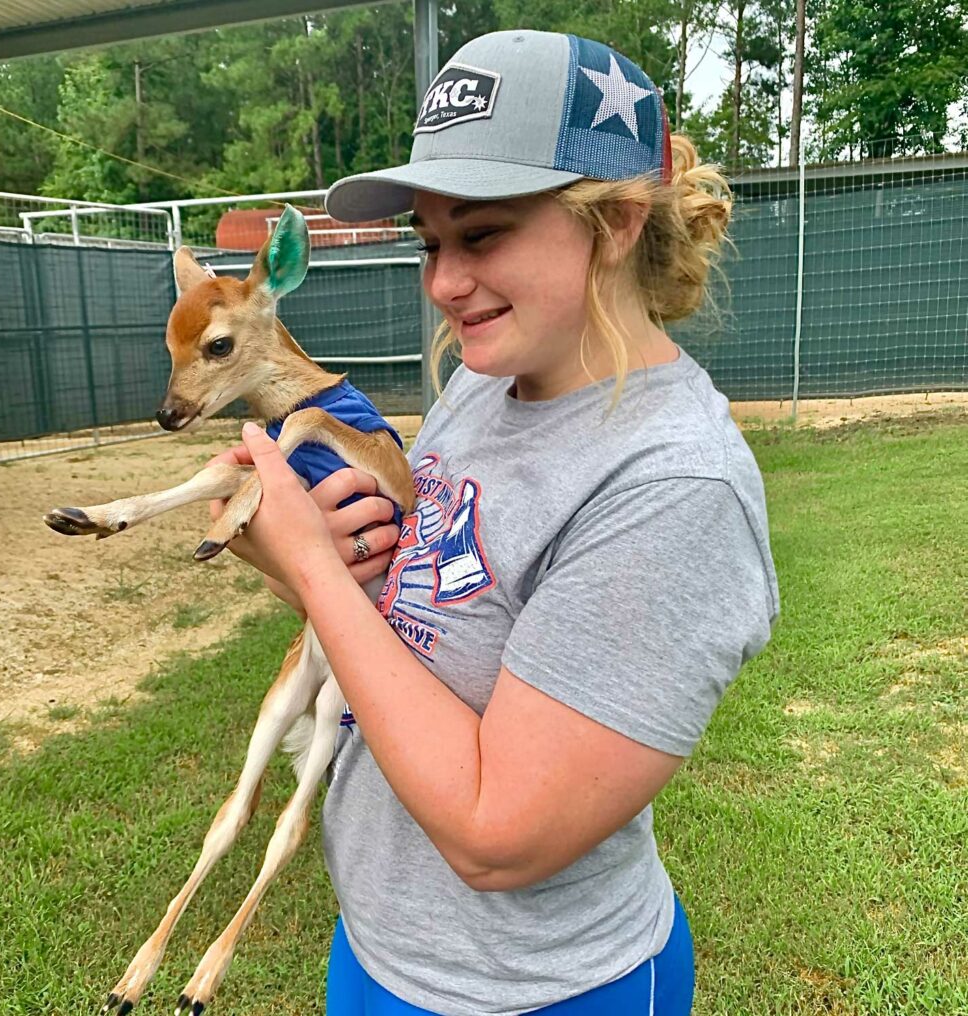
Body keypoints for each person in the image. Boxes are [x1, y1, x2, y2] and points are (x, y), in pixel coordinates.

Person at [214, 29, 779, 1016]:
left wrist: (310, 573)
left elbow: (495, 831)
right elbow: (405, 626)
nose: (442, 282)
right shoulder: (488, 385)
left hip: (542, 988)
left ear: (612, 223)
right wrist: (324, 560)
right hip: (383, 952)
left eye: (481, 236)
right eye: (431, 242)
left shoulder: (675, 485)